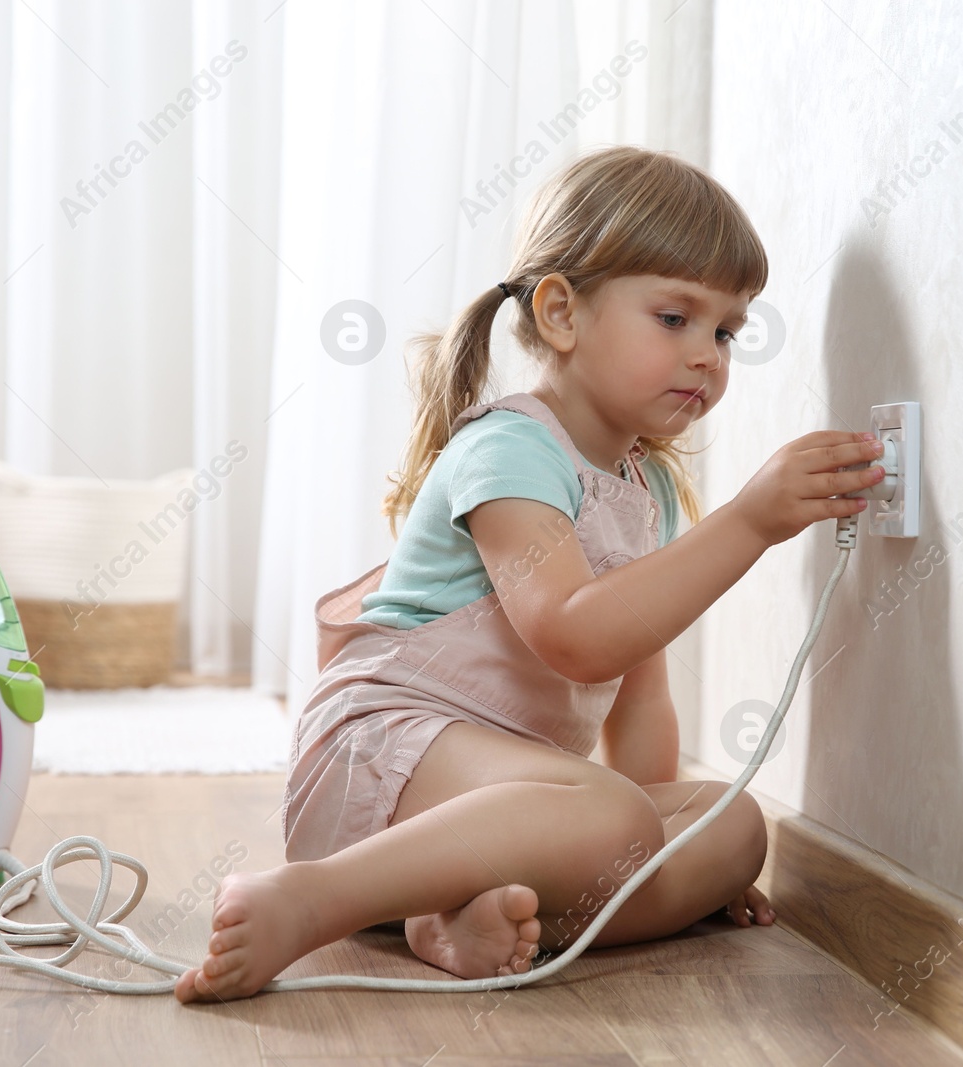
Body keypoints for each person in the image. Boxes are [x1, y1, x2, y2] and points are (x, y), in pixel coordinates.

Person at [175, 144, 885, 1002]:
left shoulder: (647, 484)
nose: (709, 355)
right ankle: (312, 898)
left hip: (513, 797)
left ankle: (447, 919)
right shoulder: (510, 449)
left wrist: (676, 856)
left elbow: (638, 691)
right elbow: (579, 636)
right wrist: (749, 521)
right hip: (383, 753)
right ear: (561, 313)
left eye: (727, 330)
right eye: (675, 318)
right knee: (617, 819)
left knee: (729, 826)